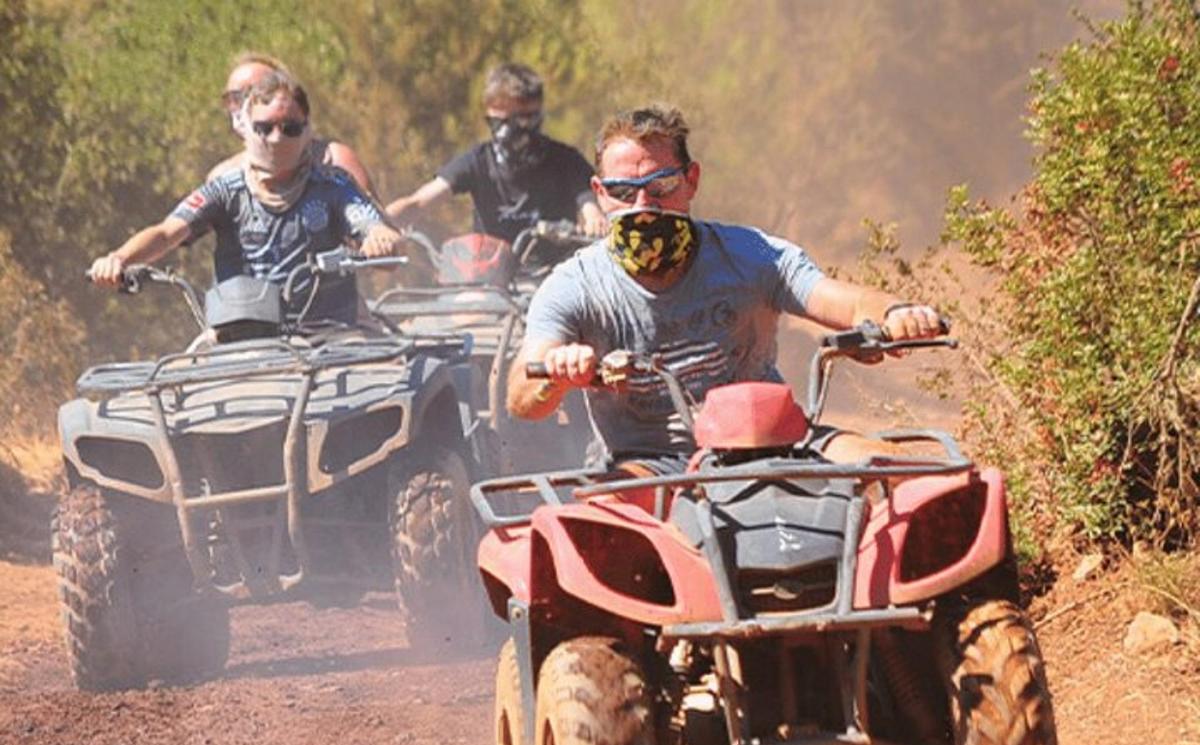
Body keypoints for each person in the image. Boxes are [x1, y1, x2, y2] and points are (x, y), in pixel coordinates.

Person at [506, 104, 943, 474]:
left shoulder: (751, 254)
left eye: (661, 187)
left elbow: (844, 300)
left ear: (691, 180)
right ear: (600, 193)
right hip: (650, 466)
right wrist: (558, 374)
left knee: (907, 479)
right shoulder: (574, 285)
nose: (643, 207)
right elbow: (520, 397)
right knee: (603, 533)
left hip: (777, 442)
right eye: (624, 191)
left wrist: (895, 314)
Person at [90, 71, 403, 325]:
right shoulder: (224, 190)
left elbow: (372, 225)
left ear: (308, 129)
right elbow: (166, 233)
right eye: (265, 128)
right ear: (246, 129)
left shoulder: (333, 185)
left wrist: (381, 239)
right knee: (181, 379)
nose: (277, 138)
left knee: (389, 377)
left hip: (332, 335)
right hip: (238, 339)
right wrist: (119, 259)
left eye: (290, 128)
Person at [385, 62, 607, 242]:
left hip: (554, 276)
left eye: (515, 122)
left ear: (536, 116)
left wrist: (594, 220)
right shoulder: (477, 161)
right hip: (490, 277)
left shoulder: (565, 161)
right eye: (496, 123)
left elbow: (591, 205)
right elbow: (418, 203)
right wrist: (378, 226)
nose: (503, 133)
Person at [208, 52, 378, 199]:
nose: (247, 102)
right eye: (235, 97)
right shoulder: (223, 178)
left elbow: (372, 221)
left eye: (259, 91)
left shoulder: (333, 160)